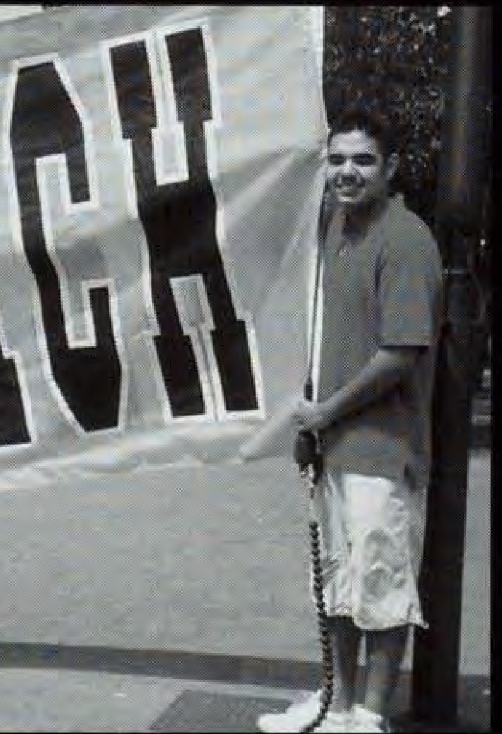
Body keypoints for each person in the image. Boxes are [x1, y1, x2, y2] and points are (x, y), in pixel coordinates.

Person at [257, 106, 443, 733]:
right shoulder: (334, 228)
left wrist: (325, 412)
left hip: (384, 451)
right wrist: (314, 428)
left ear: (390, 168)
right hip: (335, 445)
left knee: (382, 592)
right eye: (337, 159)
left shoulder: (406, 238)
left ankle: (368, 716)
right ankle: (335, 705)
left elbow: (401, 352)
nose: (347, 171)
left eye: (363, 160)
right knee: (335, 586)